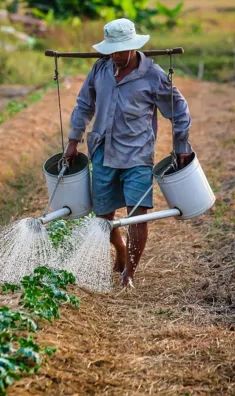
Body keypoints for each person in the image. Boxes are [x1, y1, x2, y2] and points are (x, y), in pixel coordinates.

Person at [63, 18, 193, 288]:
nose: (116, 56)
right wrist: (73, 140)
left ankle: (128, 274)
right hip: (102, 151)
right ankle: (120, 250)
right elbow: (84, 104)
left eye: (121, 51)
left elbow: (179, 110)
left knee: (138, 214)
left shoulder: (153, 76)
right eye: (112, 50)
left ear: (133, 47)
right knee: (104, 217)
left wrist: (181, 145)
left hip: (137, 154)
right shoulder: (100, 69)